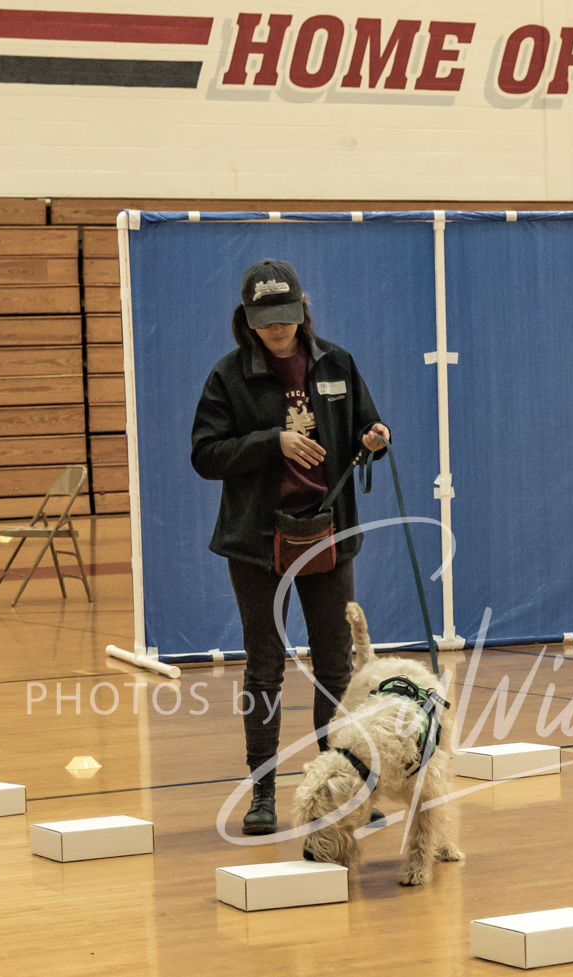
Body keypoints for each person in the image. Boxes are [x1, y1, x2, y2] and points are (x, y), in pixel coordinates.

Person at [191, 258, 390, 835]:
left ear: (302, 310)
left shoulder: (337, 363)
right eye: (265, 319)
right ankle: (262, 793)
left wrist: (375, 438)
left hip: (328, 534)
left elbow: (368, 425)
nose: (277, 328)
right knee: (265, 667)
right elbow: (205, 455)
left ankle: (336, 787)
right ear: (247, 319)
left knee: (335, 667)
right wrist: (270, 442)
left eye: (285, 316)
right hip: (257, 543)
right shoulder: (228, 376)